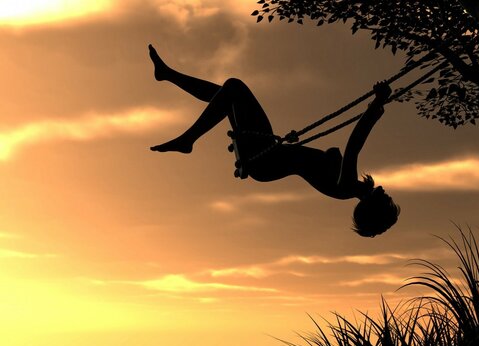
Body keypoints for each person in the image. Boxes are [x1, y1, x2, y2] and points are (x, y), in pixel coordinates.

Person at [148, 44, 400, 237]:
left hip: (265, 158)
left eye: (387, 201)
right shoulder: (349, 187)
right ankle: (168, 74)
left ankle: (187, 140)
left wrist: (377, 104)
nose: (387, 194)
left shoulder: (346, 188)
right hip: (267, 156)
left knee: (234, 88)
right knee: (225, 96)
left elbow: (354, 145)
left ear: (373, 207)